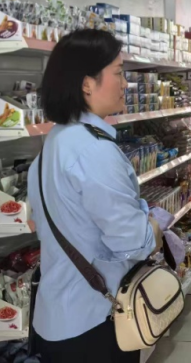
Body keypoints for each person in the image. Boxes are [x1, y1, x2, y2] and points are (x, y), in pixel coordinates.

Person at [28, 29, 163, 363]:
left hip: (56, 314)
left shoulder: (54, 143)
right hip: (94, 320)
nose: (125, 83)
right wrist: (154, 226)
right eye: (118, 73)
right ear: (87, 84)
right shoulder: (95, 151)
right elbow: (135, 243)